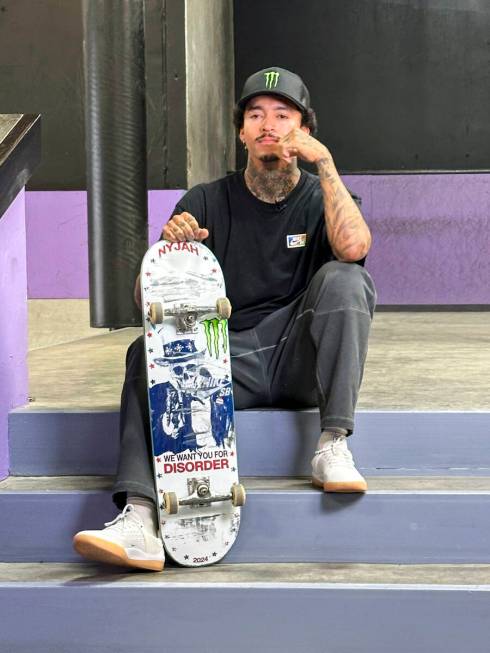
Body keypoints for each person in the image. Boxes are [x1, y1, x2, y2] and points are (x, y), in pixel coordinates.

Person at [73, 66, 376, 571]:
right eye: (255, 114)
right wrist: (169, 255)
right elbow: (144, 307)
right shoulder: (206, 201)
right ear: (241, 131)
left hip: (300, 358)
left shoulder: (322, 195)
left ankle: (333, 444)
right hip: (226, 365)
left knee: (346, 278)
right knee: (143, 351)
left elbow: (355, 248)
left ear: (305, 130)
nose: (268, 125)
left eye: (283, 115)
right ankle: (141, 517)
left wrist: (325, 165)